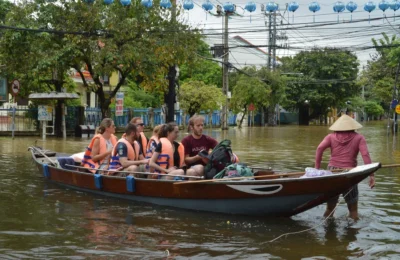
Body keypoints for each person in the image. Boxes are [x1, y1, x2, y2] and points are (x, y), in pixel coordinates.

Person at [315, 114, 375, 220]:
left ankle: (328, 231)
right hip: (350, 174)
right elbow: (365, 155)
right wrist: (371, 175)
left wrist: (317, 169)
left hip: (332, 173)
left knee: (329, 210)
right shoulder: (359, 138)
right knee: (353, 211)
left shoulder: (330, 137)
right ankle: (352, 233)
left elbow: (319, 149)